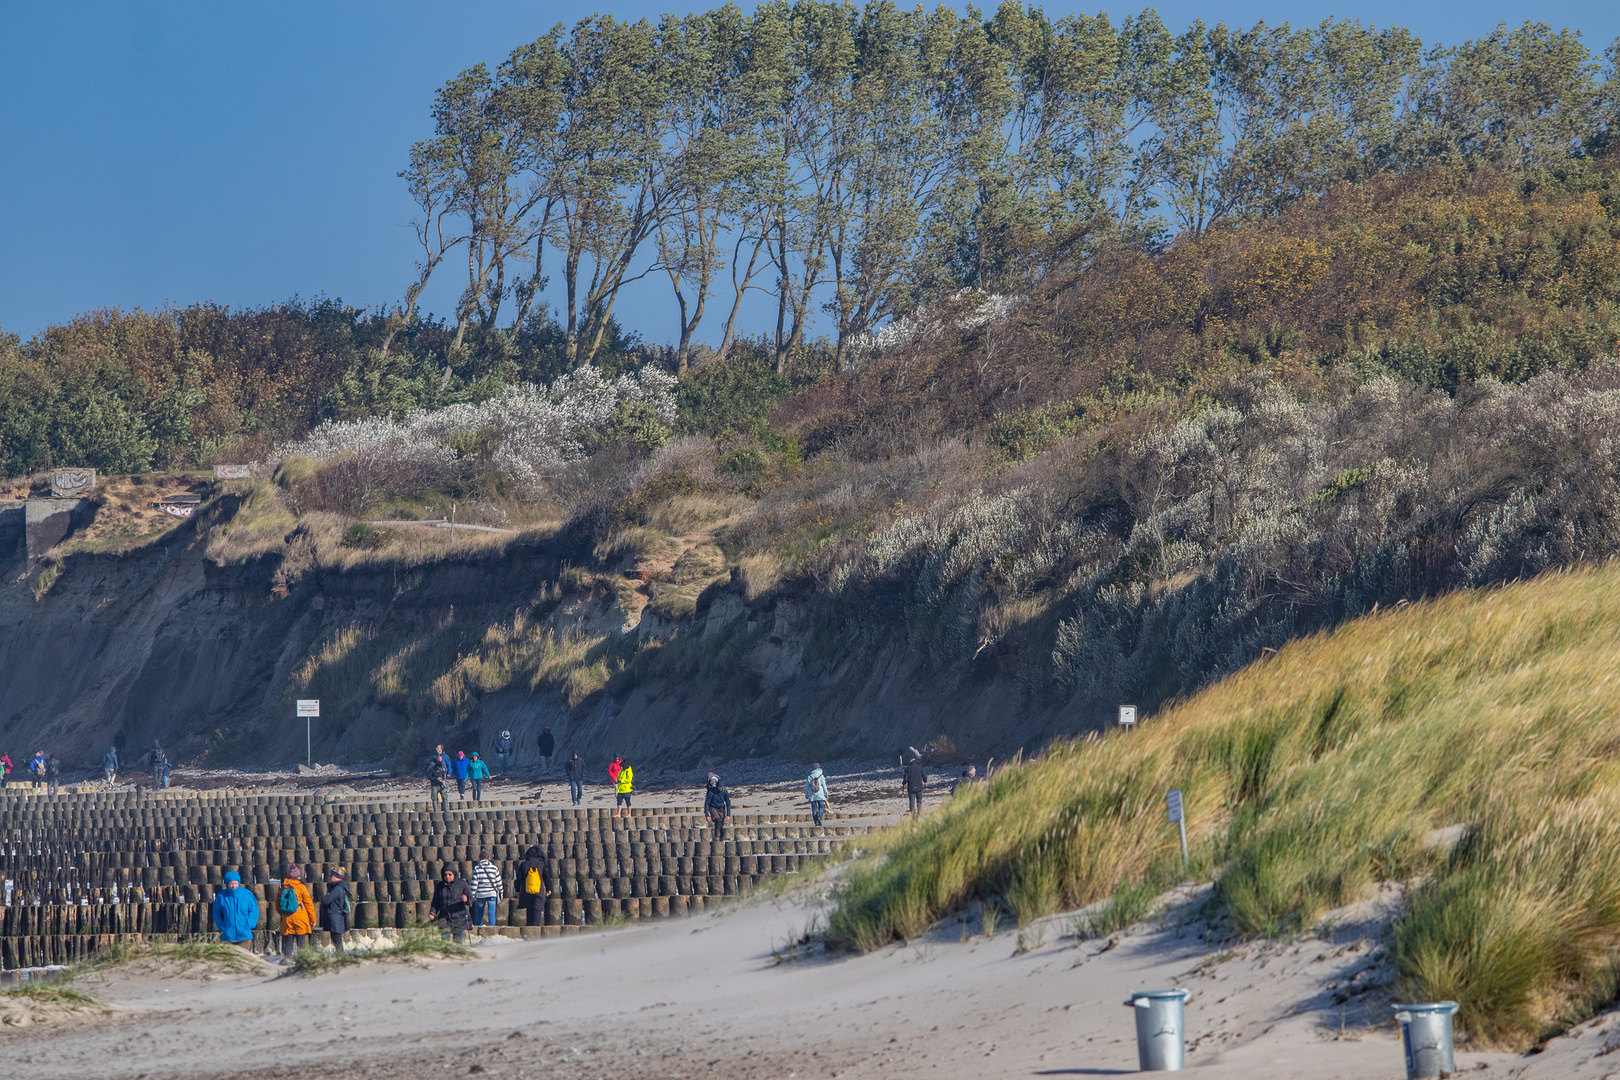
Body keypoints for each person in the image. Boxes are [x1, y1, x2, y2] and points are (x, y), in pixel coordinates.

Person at [211, 870, 260, 950]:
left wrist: (250, 924)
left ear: (239, 883)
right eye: (231, 884)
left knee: (242, 959)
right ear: (227, 884)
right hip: (228, 935)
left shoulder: (247, 895)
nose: (233, 886)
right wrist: (221, 926)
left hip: (244, 934)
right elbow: (217, 913)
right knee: (229, 960)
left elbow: (254, 910)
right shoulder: (221, 896)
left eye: (235, 883)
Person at [276, 864, 316, 959]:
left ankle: (287, 961)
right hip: (300, 919)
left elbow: (277, 905)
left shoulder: (283, 887)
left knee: (288, 943)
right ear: (298, 876)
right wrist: (313, 919)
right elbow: (309, 904)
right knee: (301, 943)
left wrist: (283, 915)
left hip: (287, 919)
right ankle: (302, 961)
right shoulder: (301, 887)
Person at [429, 864, 474, 943]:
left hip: (459, 918)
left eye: (450, 874)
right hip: (444, 918)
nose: (447, 876)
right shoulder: (440, 886)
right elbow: (435, 902)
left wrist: (466, 899)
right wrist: (433, 911)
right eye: (445, 874)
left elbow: (471, 899)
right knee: (445, 942)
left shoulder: (462, 884)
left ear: (454, 875)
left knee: (458, 943)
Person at [319, 868, 352, 952]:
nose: (330, 876)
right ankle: (340, 956)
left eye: (332, 875)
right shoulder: (340, 887)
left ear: (337, 876)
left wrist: (326, 896)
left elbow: (325, 900)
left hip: (335, 916)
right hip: (337, 916)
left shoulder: (337, 888)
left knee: (337, 940)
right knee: (336, 939)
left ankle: (340, 956)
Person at [516, 845, 549, 927]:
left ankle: (529, 930)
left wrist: (517, 890)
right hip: (538, 891)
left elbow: (518, 878)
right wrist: (549, 888)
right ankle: (536, 930)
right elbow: (546, 877)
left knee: (529, 910)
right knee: (537, 910)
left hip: (526, 890)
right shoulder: (541, 864)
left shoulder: (524, 864)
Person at [470, 850, 502, 927]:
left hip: (481, 894)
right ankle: (492, 928)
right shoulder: (494, 868)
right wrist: (501, 892)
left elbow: (474, 883)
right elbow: (499, 882)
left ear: (479, 859)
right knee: (491, 912)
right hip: (492, 893)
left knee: (479, 913)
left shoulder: (477, 868)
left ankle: (478, 927)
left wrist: (472, 895)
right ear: (489, 858)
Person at [704, 773, 732, 840]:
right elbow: (707, 803)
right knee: (718, 820)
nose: (720, 789)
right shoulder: (711, 792)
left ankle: (720, 838)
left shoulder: (725, 792)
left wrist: (728, 814)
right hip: (713, 808)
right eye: (719, 787)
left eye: (721, 788)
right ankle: (718, 836)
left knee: (720, 824)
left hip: (721, 808)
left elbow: (728, 803)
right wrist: (707, 815)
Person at [805, 764, 829, 828]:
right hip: (820, 793)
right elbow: (824, 786)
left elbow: (807, 787)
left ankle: (816, 823)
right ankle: (820, 817)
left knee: (814, 808)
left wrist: (806, 795)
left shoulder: (809, 776)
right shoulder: (821, 776)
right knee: (821, 807)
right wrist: (826, 794)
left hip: (811, 794)